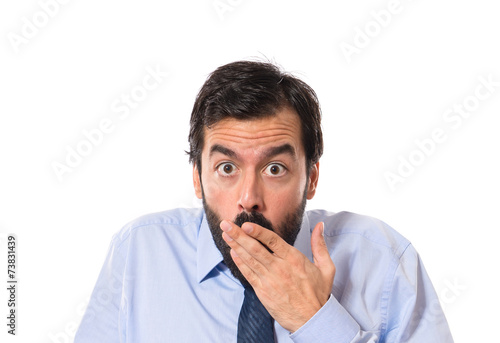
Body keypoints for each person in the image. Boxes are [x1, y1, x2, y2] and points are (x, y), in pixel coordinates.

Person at [74, 60, 454, 342]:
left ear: (311, 178)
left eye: (274, 169)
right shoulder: (138, 253)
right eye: (226, 168)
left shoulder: (384, 261)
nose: (248, 199)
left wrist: (316, 319)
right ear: (197, 178)